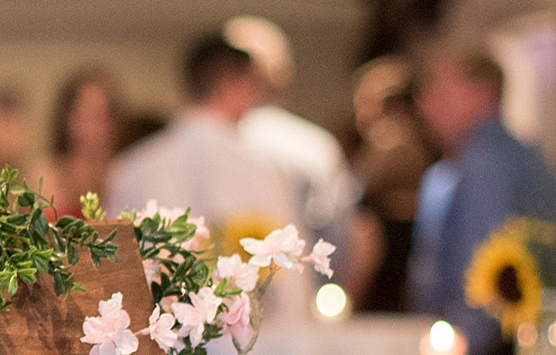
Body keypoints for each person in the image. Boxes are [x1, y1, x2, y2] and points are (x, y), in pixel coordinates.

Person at [410, 45, 556, 355]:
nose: (424, 105)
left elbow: (480, 293)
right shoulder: (504, 158)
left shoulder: (488, 166)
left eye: (439, 91)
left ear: (481, 94)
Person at [107, 33, 295, 246]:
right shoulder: (259, 170)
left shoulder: (132, 168)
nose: (253, 99)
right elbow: (284, 263)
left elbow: (113, 264)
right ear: (229, 87)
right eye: (250, 87)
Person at [224, 15, 362, 248]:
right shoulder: (314, 146)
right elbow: (341, 240)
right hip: (300, 281)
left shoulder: (193, 150)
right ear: (284, 75)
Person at [350, 57, 432, 313]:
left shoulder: (391, 145)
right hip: (410, 280)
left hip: (390, 280)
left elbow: (367, 236)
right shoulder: (428, 149)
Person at [36, 66, 124, 217]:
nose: (95, 127)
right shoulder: (46, 176)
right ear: (67, 118)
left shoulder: (122, 176)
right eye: (87, 115)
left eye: (103, 117)